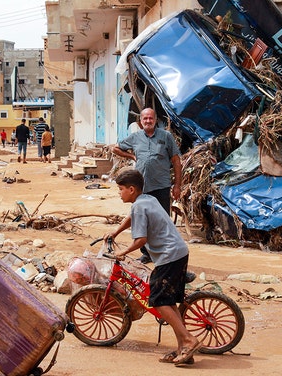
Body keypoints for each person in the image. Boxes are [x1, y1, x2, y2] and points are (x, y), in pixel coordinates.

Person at [105, 169, 201, 366]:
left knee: (156, 300)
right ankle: (182, 347)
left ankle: (190, 340)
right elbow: (131, 217)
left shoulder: (140, 207)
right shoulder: (146, 200)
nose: (119, 193)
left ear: (131, 190)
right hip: (178, 252)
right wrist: (115, 232)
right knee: (168, 302)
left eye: (121, 189)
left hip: (169, 256)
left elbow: (141, 240)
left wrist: (122, 252)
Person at [112, 107, 182, 264]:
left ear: (155, 120)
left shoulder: (166, 136)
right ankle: (147, 253)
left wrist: (177, 185)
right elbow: (115, 148)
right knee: (141, 221)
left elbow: (176, 161)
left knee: (161, 221)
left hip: (161, 186)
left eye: (151, 118)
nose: (148, 121)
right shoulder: (135, 137)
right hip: (141, 188)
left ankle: (166, 253)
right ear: (140, 122)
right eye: (145, 119)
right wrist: (131, 155)